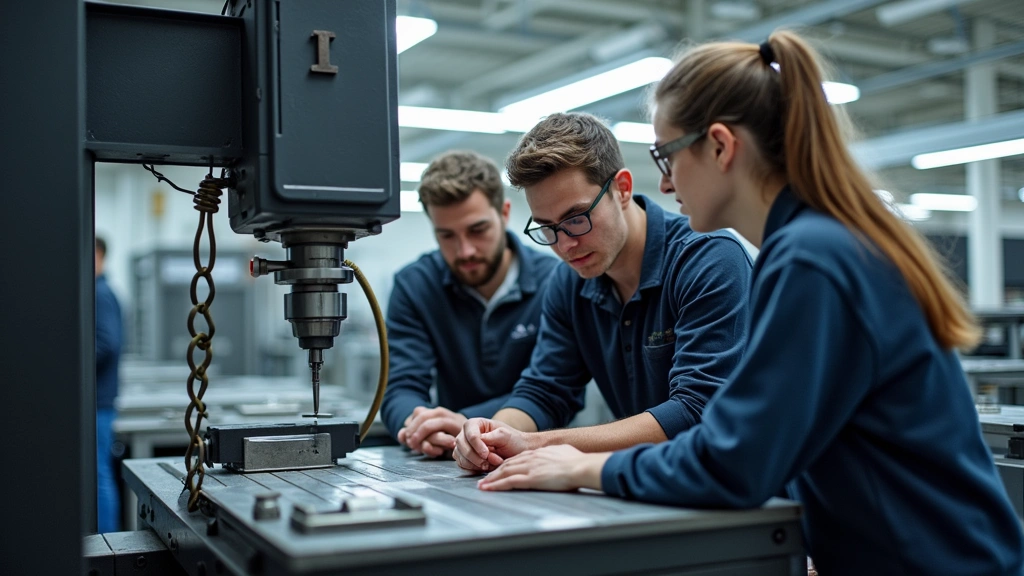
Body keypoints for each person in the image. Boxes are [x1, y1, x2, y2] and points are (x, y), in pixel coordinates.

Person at [474, 31, 1024, 575]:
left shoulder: (811, 258)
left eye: (667, 157)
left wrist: (581, 467)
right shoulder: (815, 243)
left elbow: (733, 459)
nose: (664, 185)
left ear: (720, 146)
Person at [453, 112, 753, 472]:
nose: (565, 245)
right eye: (548, 229)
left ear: (622, 189)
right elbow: (545, 390)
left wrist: (535, 442)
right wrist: (494, 433)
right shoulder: (569, 282)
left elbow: (696, 409)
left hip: (744, 491)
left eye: (577, 218)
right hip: (647, 482)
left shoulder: (707, 258)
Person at [381, 150, 559, 456]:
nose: (464, 251)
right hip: (452, 453)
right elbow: (402, 385)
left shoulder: (555, 281)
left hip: (539, 450)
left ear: (504, 213)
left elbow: (556, 391)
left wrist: (467, 420)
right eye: (447, 236)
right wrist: (418, 425)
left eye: (477, 231)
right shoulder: (415, 286)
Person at [95, 236, 123, 533]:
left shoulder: (100, 293)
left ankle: (107, 540)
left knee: (99, 475)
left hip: (99, 401)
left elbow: (107, 343)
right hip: (102, 399)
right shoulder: (102, 291)